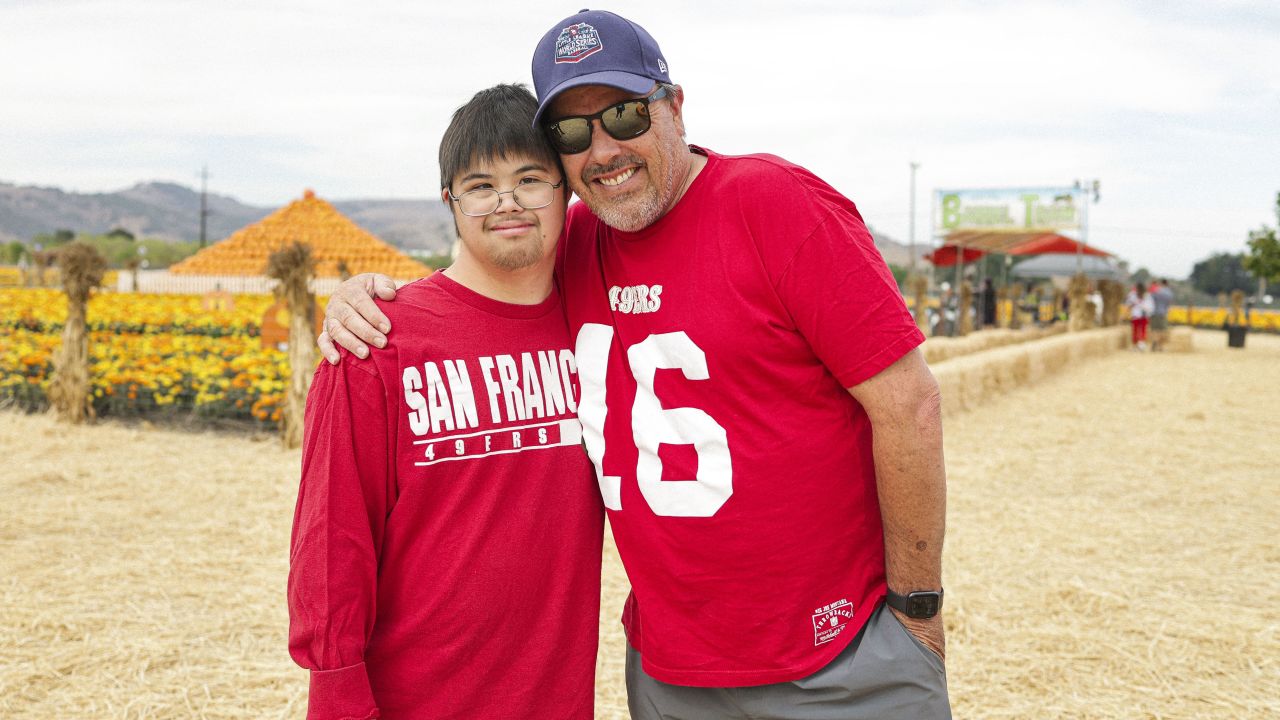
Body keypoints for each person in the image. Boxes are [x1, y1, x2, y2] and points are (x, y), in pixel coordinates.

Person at [321, 10, 950, 718]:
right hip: (668, 672)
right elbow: (485, 268)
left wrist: (916, 607)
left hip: (835, 657)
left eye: (623, 114)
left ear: (674, 106)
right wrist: (372, 298)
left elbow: (910, 403)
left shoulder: (776, 204)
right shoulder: (577, 241)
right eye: (570, 132)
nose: (603, 148)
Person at [287, 85, 604, 720]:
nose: (507, 202)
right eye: (481, 185)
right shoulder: (378, 341)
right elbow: (331, 541)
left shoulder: (592, 325)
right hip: (413, 701)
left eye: (531, 178)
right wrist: (337, 696)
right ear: (450, 202)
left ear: (564, 192)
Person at [1125, 282, 1154, 350]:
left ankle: (1138, 344)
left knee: (1136, 331)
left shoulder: (1134, 295)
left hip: (1138, 315)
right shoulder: (1146, 296)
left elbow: (1128, 305)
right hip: (1140, 315)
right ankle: (1140, 344)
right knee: (1141, 330)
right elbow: (1150, 307)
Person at [1149, 278, 1174, 351]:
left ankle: (1154, 341)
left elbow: (1150, 300)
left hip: (1154, 312)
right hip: (1163, 313)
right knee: (1163, 330)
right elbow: (1169, 304)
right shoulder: (1169, 293)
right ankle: (1160, 346)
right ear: (1167, 284)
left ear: (1161, 284)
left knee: (1154, 329)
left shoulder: (1155, 291)